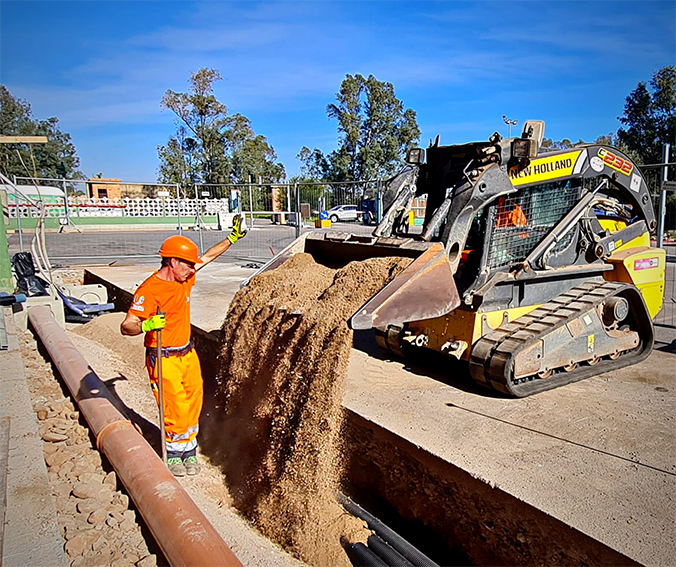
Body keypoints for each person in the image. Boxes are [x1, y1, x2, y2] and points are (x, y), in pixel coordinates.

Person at [120, 215, 247, 476]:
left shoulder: (184, 277)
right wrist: (146, 325)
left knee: (193, 401)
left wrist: (232, 238)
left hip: (187, 353)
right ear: (172, 261)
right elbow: (127, 326)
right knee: (174, 406)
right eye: (188, 264)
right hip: (163, 357)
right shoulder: (149, 290)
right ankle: (174, 454)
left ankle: (188, 449)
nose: (193, 269)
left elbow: (209, 256)